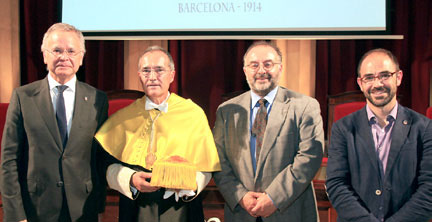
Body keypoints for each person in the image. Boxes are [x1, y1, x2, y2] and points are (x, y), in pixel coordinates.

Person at [95, 45, 221, 222]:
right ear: (139, 75)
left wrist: (189, 186)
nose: (152, 77)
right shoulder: (123, 117)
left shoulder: (193, 113)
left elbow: (207, 164)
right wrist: (130, 179)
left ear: (172, 75)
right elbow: (104, 163)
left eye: (159, 70)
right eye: (146, 71)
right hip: (136, 204)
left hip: (181, 206)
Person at [1, 23, 108, 221]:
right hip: (36, 209)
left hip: (83, 210)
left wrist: (98, 206)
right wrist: (15, 215)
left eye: (71, 51)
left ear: (81, 57)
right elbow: (9, 161)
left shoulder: (97, 99)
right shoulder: (23, 97)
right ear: (44, 55)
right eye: (57, 50)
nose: (64, 57)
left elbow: (99, 158)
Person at [213, 41, 324, 222]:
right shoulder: (226, 111)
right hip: (241, 214)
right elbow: (218, 160)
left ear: (280, 68)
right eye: (254, 65)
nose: (261, 71)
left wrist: (273, 197)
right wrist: (241, 196)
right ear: (245, 70)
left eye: (268, 64)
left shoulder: (305, 106)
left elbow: (309, 157)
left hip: (290, 213)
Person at [326, 48, 432, 221]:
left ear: (398, 77)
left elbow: (429, 188)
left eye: (384, 75)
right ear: (360, 83)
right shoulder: (343, 128)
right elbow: (336, 184)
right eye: (369, 78)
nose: (377, 84)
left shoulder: (425, 128)